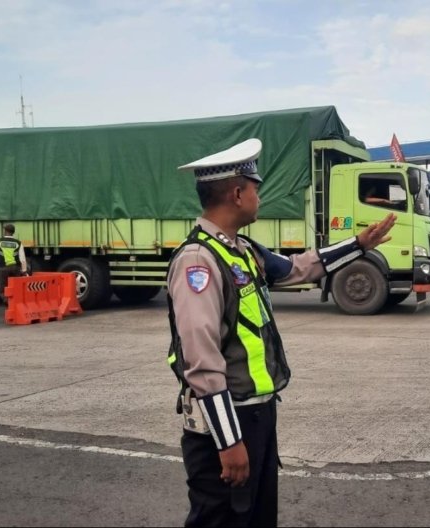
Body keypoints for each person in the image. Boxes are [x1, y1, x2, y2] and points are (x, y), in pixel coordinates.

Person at [167, 138, 395, 528]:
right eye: (255, 188)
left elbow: (297, 268)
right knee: (221, 520)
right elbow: (200, 362)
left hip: (257, 416)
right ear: (237, 194)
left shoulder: (241, 250)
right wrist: (229, 441)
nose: (259, 196)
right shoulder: (198, 262)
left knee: (256, 519)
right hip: (227, 423)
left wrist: (357, 245)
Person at [0, 223, 28, 302]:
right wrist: (24, 271)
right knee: (16, 287)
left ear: (5, 231)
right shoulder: (18, 243)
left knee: (1, 289)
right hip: (15, 268)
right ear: (13, 232)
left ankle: (8, 302)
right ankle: (16, 302)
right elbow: (22, 259)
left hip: (3, 268)